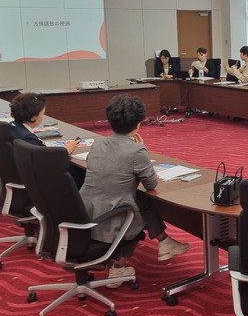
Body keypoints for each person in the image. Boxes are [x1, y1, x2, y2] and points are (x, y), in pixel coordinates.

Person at [79, 94, 189, 285]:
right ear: (138, 124)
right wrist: (142, 148)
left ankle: (165, 241)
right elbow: (151, 184)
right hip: (108, 219)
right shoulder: (136, 151)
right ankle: (118, 268)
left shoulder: (97, 143)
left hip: (85, 212)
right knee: (137, 212)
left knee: (140, 199)